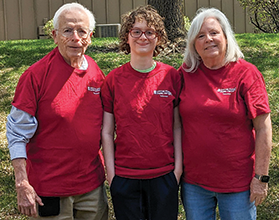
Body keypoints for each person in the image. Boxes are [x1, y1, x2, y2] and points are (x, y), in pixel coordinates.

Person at [6, 3, 108, 219]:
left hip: (92, 187)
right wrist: (22, 182)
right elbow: (16, 134)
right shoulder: (35, 76)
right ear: (54, 35)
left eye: (82, 31)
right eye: (67, 30)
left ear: (90, 36)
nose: (75, 37)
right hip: (49, 190)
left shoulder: (96, 73)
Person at [178, 7, 272, 220]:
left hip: (237, 184)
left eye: (214, 33)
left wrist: (260, 178)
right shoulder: (185, 74)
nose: (208, 39)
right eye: (200, 36)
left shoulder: (246, 73)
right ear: (194, 44)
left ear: (226, 37)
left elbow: (263, 127)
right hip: (194, 183)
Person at [101, 5, 182, 220]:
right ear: (127, 37)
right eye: (135, 31)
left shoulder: (171, 76)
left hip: (164, 175)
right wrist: (112, 174)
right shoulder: (113, 80)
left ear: (158, 38)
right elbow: (107, 132)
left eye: (150, 32)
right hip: (125, 177)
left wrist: (177, 171)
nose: (142, 37)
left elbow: (177, 127)